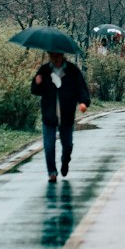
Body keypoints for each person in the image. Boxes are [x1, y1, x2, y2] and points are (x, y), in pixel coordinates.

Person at [31, 51, 91, 184]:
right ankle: (52, 172)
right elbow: (35, 90)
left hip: (66, 114)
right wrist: (37, 82)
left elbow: (80, 87)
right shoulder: (44, 70)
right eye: (51, 55)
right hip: (49, 114)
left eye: (57, 56)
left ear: (62, 55)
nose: (54, 58)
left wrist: (83, 102)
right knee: (49, 145)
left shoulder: (72, 70)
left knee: (68, 145)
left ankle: (65, 161)